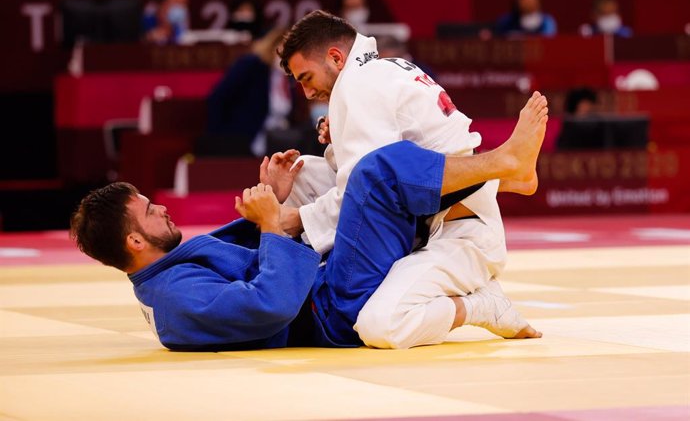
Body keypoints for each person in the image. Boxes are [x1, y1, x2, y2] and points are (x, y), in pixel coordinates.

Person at [70, 114, 546, 351]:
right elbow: (271, 305)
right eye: (151, 212)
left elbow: (248, 251)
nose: (164, 209)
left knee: (319, 172)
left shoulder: (169, 273)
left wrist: (277, 202)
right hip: (332, 311)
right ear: (134, 242)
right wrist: (274, 225)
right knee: (376, 172)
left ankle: (473, 197)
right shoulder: (177, 302)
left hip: (324, 286)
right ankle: (502, 169)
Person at [273, 10, 545, 348]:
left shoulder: (357, 87)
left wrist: (296, 219)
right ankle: (505, 175)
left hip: (460, 237)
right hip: (426, 217)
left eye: (307, 77)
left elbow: (366, 186)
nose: (306, 91)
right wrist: (337, 139)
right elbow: (378, 175)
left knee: (378, 325)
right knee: (303, 171)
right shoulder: (383, 70)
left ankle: (480, 304)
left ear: (335, 57)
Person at [206, 28, 305, 157]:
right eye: (285, 49)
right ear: (273, 46)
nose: (287, 56)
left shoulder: (290, 77)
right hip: (241, 139)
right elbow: (218, 97)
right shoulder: (251, 65)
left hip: (276, 142)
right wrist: (218, 137)